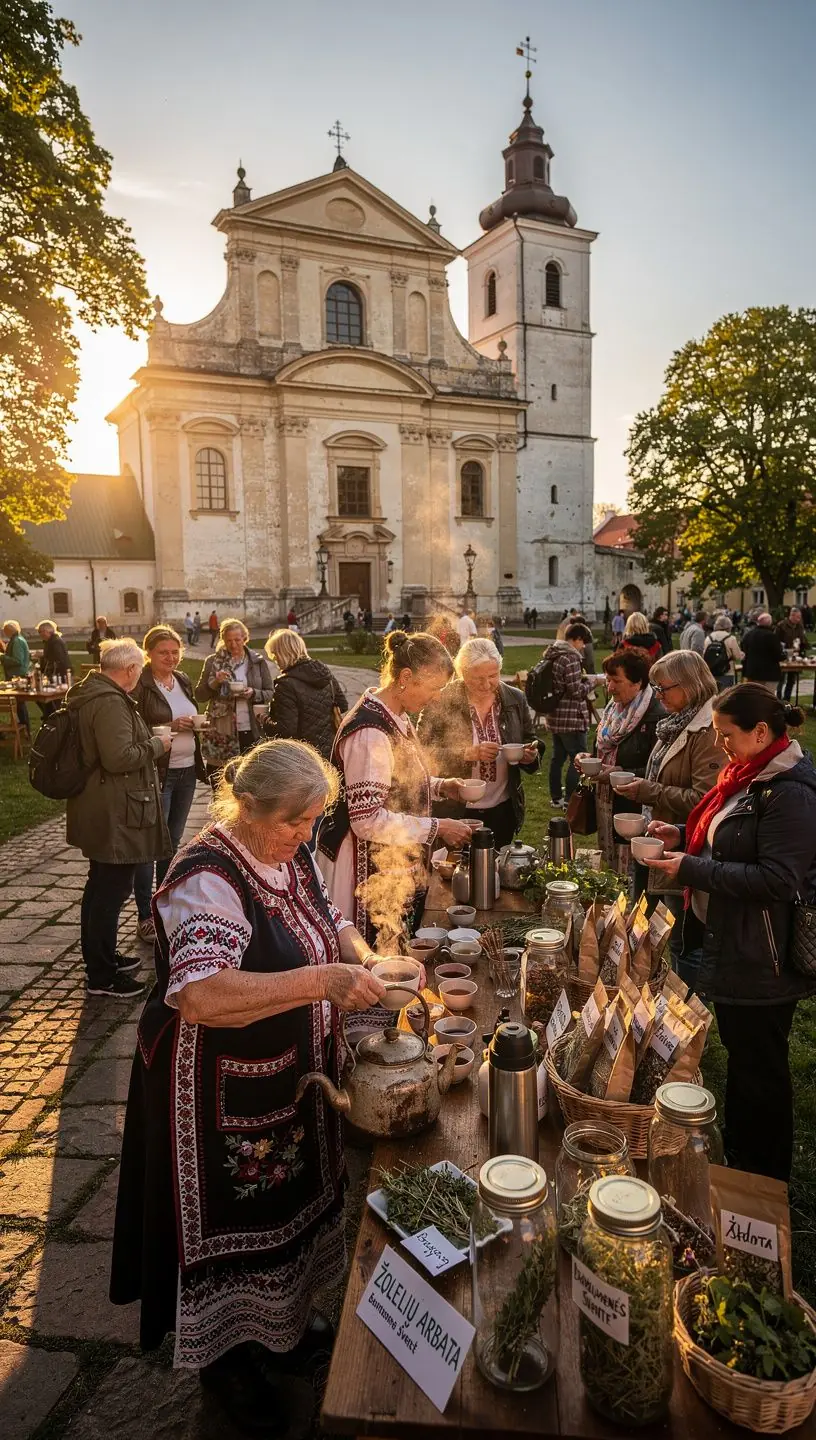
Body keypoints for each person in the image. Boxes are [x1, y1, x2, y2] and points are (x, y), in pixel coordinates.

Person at [110, 741, 389, 1430]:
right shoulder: (207, 875)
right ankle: (229, 1365)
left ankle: (283, 1331)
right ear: (251, 808)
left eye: (312, 822)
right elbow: (204, 994)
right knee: (237, 1221)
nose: (305, 836)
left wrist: (367, 955)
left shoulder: (285, 849)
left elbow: (330, 917)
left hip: (287, 1076)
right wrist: (324, 981)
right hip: (217, 1090)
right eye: (297, 823)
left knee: (288, 1206)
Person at [643, 685, 816, 1182]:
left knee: (759, 1068)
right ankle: (742, 1162)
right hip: (736, 940)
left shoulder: (791, 792)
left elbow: (778, 880)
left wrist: (693, 870)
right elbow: (732, 842)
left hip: (764, 955)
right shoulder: (749, 774)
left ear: (762, 732)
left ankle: (762, 1181)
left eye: (726, 734)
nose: (719, 744)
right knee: (744, 1060)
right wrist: (683, 836)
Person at [317, 631, 474, 945]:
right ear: (406, 677)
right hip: (358, 865)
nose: (436, 698)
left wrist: (443, 786)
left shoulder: (393, 716)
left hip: (384, 861)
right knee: (367, 957)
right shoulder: (370, 734)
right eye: (433, 688)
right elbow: (366, 820)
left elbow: (398, 782)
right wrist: (438, 827)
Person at [66, 638, 170, 998]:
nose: (138, 675)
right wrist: (158, 745)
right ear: (129, 670)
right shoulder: (110, 702)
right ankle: (102, 976)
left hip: (105, 805)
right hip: (114, 812)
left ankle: (102, 959)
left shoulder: (98, 694)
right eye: (138, 669)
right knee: (110, 892)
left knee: (100, 889)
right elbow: (119, 757)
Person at [614, 650, 725, 985]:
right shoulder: (679, 723)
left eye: (663, 689)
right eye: (656, 689)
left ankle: (687, 1013)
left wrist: (649, 792)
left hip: (687, 846)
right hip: (662, 838)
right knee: (652, 925)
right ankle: (656, 999)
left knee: (682, 938)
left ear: (690, 686)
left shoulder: (707, 730)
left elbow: (704, 800)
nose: (658, 697)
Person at [417, 637, 540, 848]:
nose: (486, 684)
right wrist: (467, 753)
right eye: (478, 678)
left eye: (493, 676)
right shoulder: (442, 699)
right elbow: (421, 753)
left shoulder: (515, 698)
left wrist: (529, 755)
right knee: (455, 872)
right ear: (463, 674)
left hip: (502, 808)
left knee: (495, 872)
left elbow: (530, 739)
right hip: (454, 810)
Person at [131, 626, 207, 943]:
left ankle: (164, 903)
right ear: (149, 653)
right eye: (164, 652)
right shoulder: (142, 685)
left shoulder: (183, 680)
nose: (171, 658)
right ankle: (146, 916)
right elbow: (134, 728)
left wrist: (198, 724)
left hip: (186, 770)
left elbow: (192, 710)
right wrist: (169, 726)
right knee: (150, 843)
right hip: (157, 772)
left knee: (171, 841)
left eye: (175, 652)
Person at [578, 650, 663, 872]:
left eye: (617, 681)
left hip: (634, 806)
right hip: (608, 801)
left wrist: (622, 771)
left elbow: (660, 769)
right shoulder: (613, 709)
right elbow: (601, 749)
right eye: (608, 680)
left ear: (638, 683)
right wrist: (588, 759)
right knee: (614, 866)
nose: (610, 687)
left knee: (635, 868)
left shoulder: (656, 716)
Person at [195, 618, 275, 774]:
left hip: (251, 727)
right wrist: (215, 682)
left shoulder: (257, 662)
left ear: (245, 638)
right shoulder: (213, 662)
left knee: (250, 776)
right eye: (229, 640)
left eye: (237, 640)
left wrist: (253, 693)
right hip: (221, 728)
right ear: (223, 640)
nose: (233, 644)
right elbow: (200, 696)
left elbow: (270, 692)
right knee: (219, 774)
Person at [265, 629, 348, 760]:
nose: (275, 659)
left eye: (275, 654)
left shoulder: (285, 685)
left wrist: (264, 720)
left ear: (284, 654)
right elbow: (342, 704)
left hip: (304, 756)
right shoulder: (323, 672)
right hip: (330, 750)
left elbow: (286, 732)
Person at [543, 622, 596, 808]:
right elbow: (576, 691)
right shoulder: (571, 658)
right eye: (583, 642)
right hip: (571, 718)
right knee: (578, 759)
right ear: (577, 640)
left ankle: (556, 797)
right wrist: (593, 683)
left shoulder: (554, 653)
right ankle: (569, 800)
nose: (583, 646)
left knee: (557, 759)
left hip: (555, 716)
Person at [741, 612, 785, 694]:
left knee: (754, 696)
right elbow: (778, 655)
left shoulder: (749, 635)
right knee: (768, 697)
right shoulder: (771, 636)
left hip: (752, 672)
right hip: (769, 673)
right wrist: (785, 655)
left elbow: (743, 650)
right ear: (770, 623)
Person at [35, 620, 71, 718]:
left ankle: (54, 717)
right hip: (54, 674)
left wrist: (43, 655)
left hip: (59, 675)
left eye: (41, 632)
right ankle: (50, 716)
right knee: (41, 698)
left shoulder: (55, 642)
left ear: (48, 631)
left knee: (53, 699)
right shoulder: (50, 641)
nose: (40, 634)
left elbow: (58, 659)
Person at [1, 619, 32, 731]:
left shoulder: (17, 641)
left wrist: (2, 657)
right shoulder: (16, 639)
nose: (4, 633)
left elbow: (17, 660)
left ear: (9, 631)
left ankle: (25, 727)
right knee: (19, 704)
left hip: (17, 675)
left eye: (5, 631)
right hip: (16, 674)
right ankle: (23, 727)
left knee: (20, 704)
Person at [704, 614, 743, 690]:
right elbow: (737, 656)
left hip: (712, 671)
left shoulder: (709, 637)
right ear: (728, 626)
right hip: (727, 671)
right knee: (725, 696)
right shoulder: (731, 638)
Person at [776, 607, 808, 699]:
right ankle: (778, 699)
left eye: (800, 617)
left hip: (796, 656)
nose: (799, 619)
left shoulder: (800, 626)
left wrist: (803, 645)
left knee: (792, 680)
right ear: (792, 615)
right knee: (781, 680)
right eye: (798, 617)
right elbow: (775, 640)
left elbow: (803, 640)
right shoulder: (782, 625)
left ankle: (787, 700)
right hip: (784, 656)